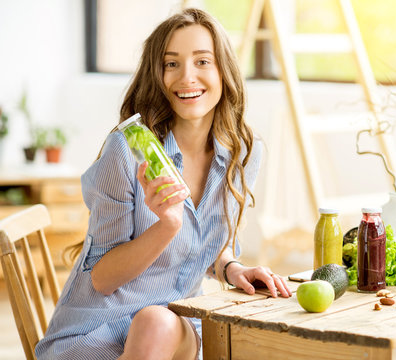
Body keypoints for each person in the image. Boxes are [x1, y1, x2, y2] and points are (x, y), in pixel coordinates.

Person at [36, 8, 291, 360]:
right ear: (157, 74)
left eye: (203, 61)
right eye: (171, 64)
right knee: (156, 323)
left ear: (224, 70)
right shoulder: (127, 151)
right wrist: (167, 225)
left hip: (174, 328)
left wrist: (232, 268)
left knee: (164, 323)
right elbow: (103, 279)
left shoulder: (243, 153)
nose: (187, 77)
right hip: (96, 335)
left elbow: (205, 244)